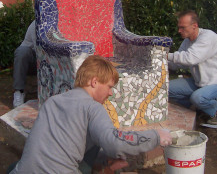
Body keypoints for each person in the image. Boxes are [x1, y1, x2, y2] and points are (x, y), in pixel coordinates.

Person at [9, 55, 172, 174]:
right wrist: (156, 136)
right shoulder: (92, 108)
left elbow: (67, 145)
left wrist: (104, 160)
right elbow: (115, 143)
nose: (110, 93)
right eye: (109, 86)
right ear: (94, 82)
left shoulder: (52, 101)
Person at [168, 10, 217, 126]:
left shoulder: (208, 37)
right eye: (179, 27)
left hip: (214, 83)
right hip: (199, 82)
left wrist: (164, 55)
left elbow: (190, 58)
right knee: (165, 88)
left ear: (194, 26)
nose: (179, 31)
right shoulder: (187, 41)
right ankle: (199, 107)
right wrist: (160, 62)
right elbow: (179, 63)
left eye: (183, 28)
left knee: (197, 98)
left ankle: (214, 112)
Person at [13, 20, 36, 108]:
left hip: (52, 61)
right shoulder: (36, 24)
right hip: (33, 61)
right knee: (21, 52)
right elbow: (40, 50)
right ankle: (19, 91)